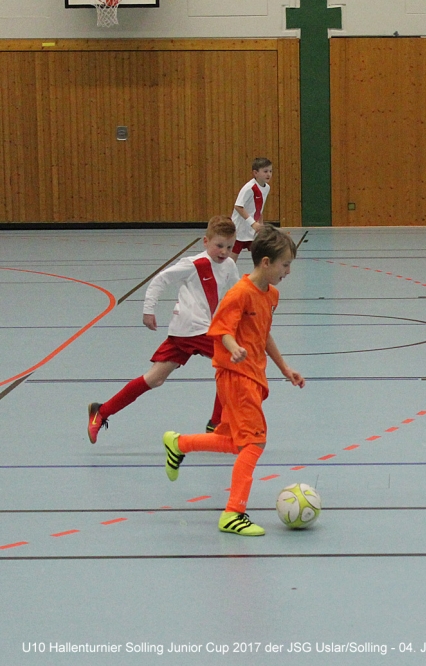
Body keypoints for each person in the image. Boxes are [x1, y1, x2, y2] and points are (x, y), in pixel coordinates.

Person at [162, 224, 304, 536]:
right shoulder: (239, 294)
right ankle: (233, 513)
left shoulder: (271, 295)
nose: (288, 271)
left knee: (235, 441)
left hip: (254, 377)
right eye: (285, 265)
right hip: (236, 376)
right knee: (254, 442)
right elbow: (220, 328)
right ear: (265, 262)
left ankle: (179, 443)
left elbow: (263, 334)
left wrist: (284, 368)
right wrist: (233, 347)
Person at [87, 216, 240, 443]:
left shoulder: (229, 265)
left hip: (187, 332)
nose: (224, 252)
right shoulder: (193, 264)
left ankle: (101, 411)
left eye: (229, 247)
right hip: (194, 329)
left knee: (154, 378)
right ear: (205, 241)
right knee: (233, 361)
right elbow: (160, 280)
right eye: (219, 245)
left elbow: (237, 293)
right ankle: (216, 423)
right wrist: (148, 310)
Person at [231, 157, 273, 259]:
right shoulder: (249, 188)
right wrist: (253, 223)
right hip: (239, 230)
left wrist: (261, 224)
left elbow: (259, 207)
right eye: (265, 171)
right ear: (255, 173)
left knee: (260, 257)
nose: (269, 174)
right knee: (231, 260)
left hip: (252, 231)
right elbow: (238, 206)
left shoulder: (267, 188)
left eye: (270, 171)